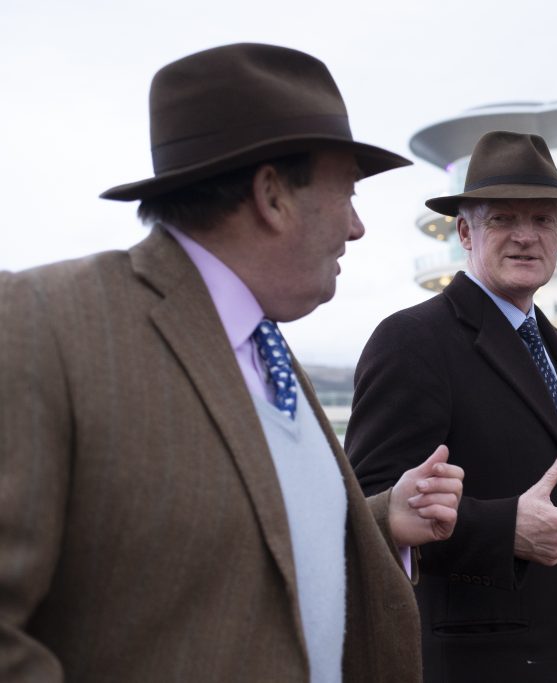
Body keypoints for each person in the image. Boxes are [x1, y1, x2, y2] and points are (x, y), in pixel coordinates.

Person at [0, 43, 465, 683]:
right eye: (348, 194)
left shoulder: (264, 346)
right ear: (272, 195)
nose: (357, 227)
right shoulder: (41, 324)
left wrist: (382, 520)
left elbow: (230, 543)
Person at [346, 131, 557, 683]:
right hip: (462, 665)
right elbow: (370, 503)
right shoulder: (412, 339)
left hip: (556, 661)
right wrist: (505, 530)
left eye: (543, 220)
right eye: (502, 219)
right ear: (464, 232)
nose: (526, 236)